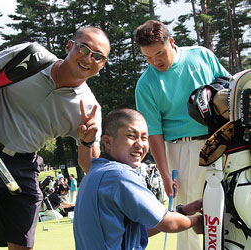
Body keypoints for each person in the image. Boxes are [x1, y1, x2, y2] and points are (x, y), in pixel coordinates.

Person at [0, 26, 110, 250]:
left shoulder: (89, 107)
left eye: (97, 56)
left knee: (23, 246)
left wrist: (86, 141)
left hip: (25, 166)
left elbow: (89, 166)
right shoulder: (31, 55)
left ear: (102, 65)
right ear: (69, 46)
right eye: (84, 49)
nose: (88, 59)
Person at [134, 20, 230, 250]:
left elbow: (228, 87)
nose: (155, 62)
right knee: (187, 212)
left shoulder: (201, 56)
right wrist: (165, 173)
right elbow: (154, 133)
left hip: (219, 138)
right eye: (148, 58)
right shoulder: (145, 84)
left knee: (227, 204)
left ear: (171, 42)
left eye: (159, 53)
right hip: (180, 148)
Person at [73, 108, 203, 250]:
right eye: (131, 136)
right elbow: (167, 223)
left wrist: (182, 212)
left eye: (144, 137)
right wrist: (197, 221)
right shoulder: (120, 175)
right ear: (108, 142)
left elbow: (142, 229)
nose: (140, 144)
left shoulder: (95, 173)